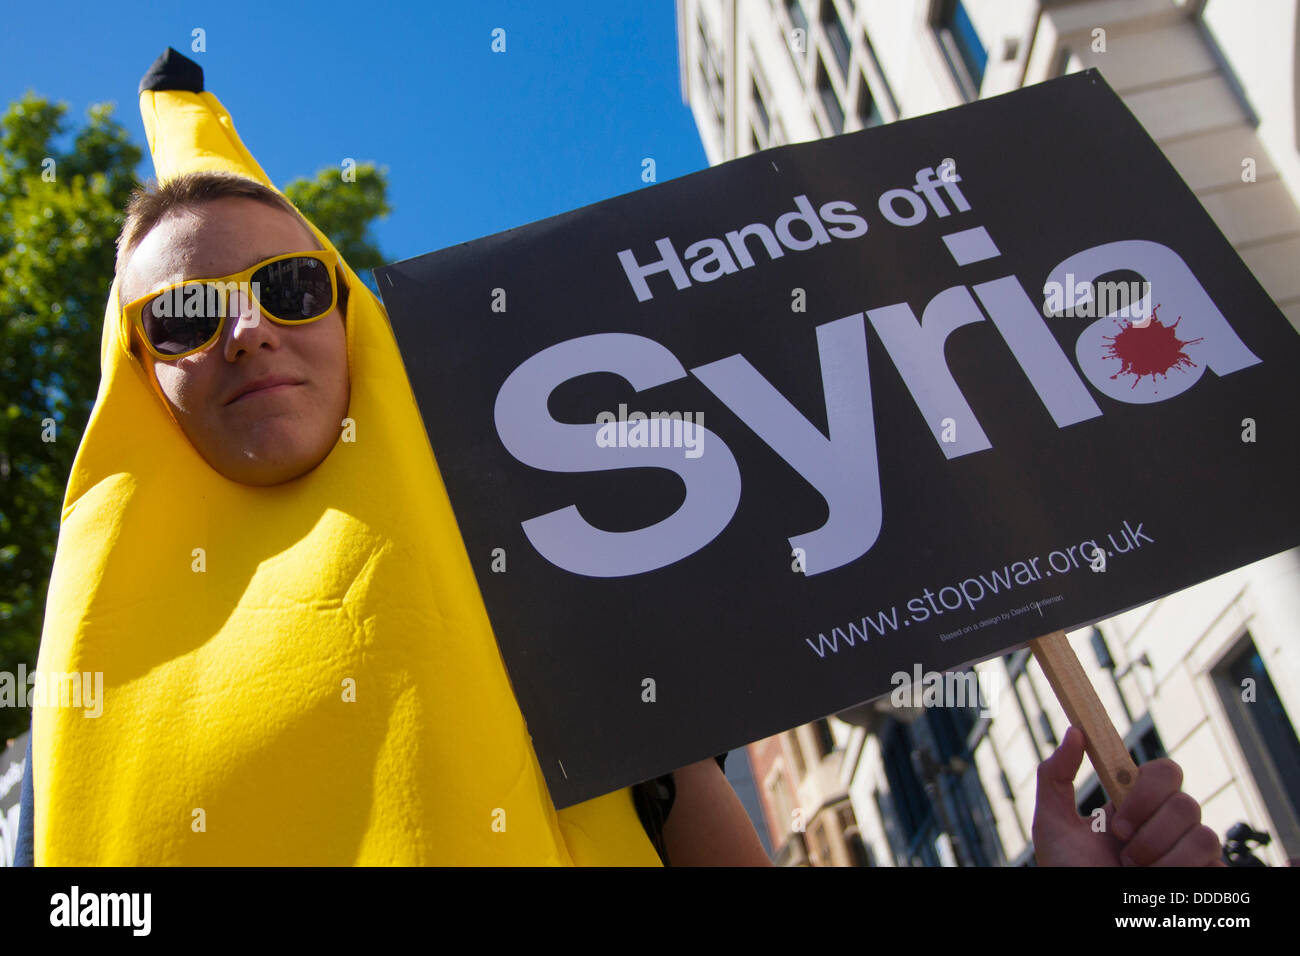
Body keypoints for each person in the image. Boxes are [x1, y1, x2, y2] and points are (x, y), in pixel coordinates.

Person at [15, 48, 1221, 868]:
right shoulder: (65, 742)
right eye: (180, 314)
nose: (245, 326)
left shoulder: (561, 585)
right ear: (133, 377)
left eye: (289, 284)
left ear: (352, 319)